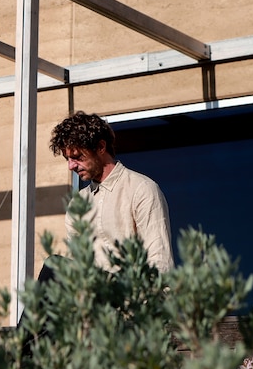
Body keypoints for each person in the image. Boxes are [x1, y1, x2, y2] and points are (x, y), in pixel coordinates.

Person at [49, 111, 174, 272]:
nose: (71, 166)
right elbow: (76, 266)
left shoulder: (140, 189)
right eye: (68, 159)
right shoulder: (77, 204)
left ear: (101, 147)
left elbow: (159, 261)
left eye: (78, 157)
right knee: (51, 267)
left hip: (130, 291)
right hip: (93, 293)